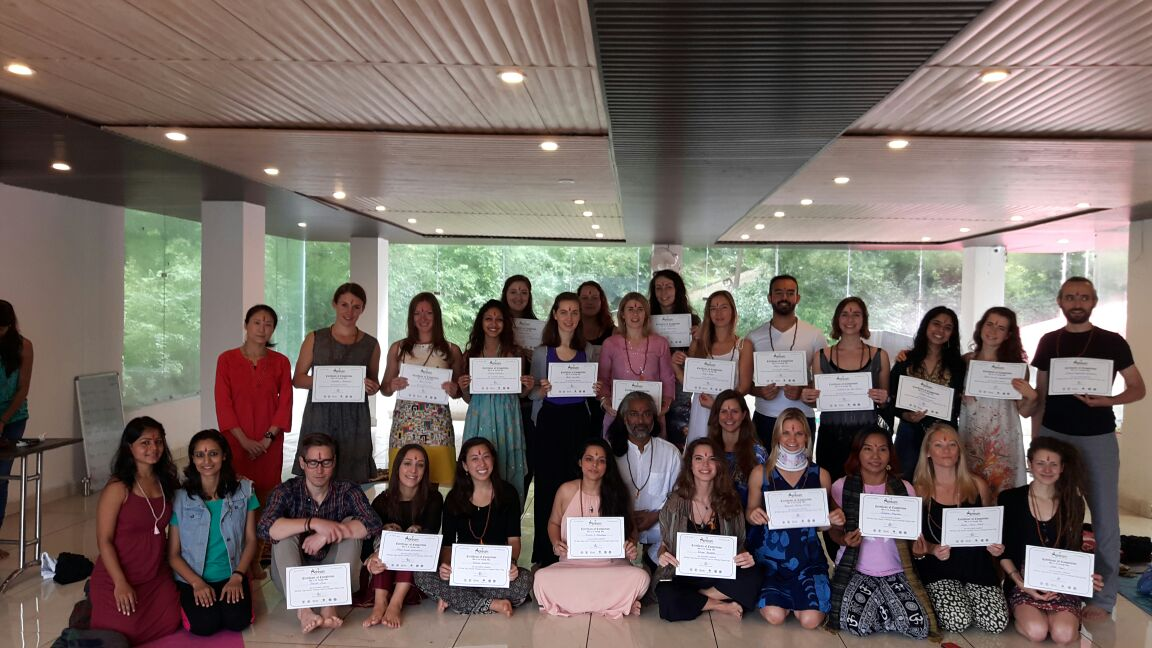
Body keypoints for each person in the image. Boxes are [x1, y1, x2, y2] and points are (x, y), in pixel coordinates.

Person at [1031, 276, 1144, 618]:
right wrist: (1036, 446)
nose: (1076, 302)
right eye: (1070, 297)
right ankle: (1050, 586)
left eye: (1083, 297)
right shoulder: (1049, 341)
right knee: (1049, 511)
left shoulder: (1112, 342)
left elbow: (1138, 388)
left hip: (1097, 437)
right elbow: (1041, 397)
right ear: (1060, 302)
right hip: (1054, 436)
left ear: (1093, 301)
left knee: (1106, 517)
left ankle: (1103, 598)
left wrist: (1108, 400)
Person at [258, 433, 383, 633]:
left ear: (334, 462)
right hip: (293, 577)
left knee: (352, 524)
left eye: (326, 462)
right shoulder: (286, 491)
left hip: (337, 576)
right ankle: (303, 609)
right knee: (283, 531)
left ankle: (330, 605)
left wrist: (332, 532)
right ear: (302, 462)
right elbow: (265, 527)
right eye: (313, 462)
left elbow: (373, 523)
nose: (319, 469)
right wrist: (313, 524)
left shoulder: (347, 490)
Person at [826, 429, 939, 640]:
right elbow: (834, 532)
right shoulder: (841, 486)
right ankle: (883, 605)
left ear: (890, 454)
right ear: (857, 453)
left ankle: (879, 603)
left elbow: (912, 536)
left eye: (882, 449)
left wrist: (918, 551)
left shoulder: (904, 488)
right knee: (855, 625)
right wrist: (844, 539)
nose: (875, 456)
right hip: (856, 570)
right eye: (868, 449)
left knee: (919, 626)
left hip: (896, 570)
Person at [998, 437, 1104, 642]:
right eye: (1040, 463)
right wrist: (1020, 583)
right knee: (1038, 632)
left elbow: (1074, 549)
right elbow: (1004, 550)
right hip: (1023, 581)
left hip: (1061, 583)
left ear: (1062, 467)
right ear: (1030, 464)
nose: (1047, 469)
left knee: (1063, 635)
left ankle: (1059, 618)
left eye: (1053, 464)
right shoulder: (1010, 499)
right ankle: (1026, 613)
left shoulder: (1073, 501)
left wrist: (1085, 576)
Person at [746, 409, 844, 628]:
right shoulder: (761, 473)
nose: (792, 439)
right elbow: (749, 513)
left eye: (799, 433)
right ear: (777, 437)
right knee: (775, 616)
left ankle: (796, 602)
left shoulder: (821, 475)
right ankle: (784, 600)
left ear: (807, 437)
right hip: (770, 560)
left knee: (810, 621)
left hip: (807, 558)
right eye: (786, 433)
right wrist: (753, 515)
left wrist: (832, 520)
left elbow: (821, 525)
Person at [214, 303, 292, 578]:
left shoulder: (281, 362)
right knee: (235, 499)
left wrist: (268, 438)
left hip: (270, 444)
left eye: (268, 323)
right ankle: (233, 559)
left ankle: (256, 559)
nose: (262, 328)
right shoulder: (226, 360)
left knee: (266, 499)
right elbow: (223, 404)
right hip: (236, 442)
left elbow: (285, 405)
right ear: (246, 325)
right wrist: (243, 440)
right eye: (257, 322)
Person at [89, 417, 181, 645]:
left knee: (172, 621)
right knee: (122, 633)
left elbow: (195, 497)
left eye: (158, 441)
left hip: (155, 573)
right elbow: (104, 540)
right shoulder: (118, 487)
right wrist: (120, 583)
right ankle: (89, 602)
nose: (153, 448)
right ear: (129, 447)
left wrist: (229, 480)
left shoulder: (167, 481)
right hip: (119, 574)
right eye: (145, 442)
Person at [415, 438, 533, 615]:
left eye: (486, 456)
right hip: (463, 571)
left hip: (496, 570)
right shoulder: (454, 498)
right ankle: (493, 604)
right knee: (421, 575)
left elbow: (514, 540)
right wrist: (446, 565)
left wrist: (511, 563)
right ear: (464, 465)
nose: (482, 463)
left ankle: (456, 599)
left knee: (525, 580)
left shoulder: (507, 494)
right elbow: (447, 544)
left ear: (493, 460)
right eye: (474, 459)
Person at [534, 438, 650, 617]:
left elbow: (632, 529)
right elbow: (553, 523)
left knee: (641, 578)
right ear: (580, 462)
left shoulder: (618, 493)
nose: (594, 465)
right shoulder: (566, 490)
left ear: (607, 466)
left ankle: (578, 602)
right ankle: (610, 603)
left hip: (611, 567)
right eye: (589, 459)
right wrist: (556, 543)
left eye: (601, 461)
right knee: (541, 579)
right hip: (572, 567)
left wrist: (631, 545)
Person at [910, 423, 1008, 634]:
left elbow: (991, 529)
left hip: (976, 567)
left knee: (996, 623)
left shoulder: (977, 485)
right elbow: (912, 541)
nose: (946, 450)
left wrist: (995, 547)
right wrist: (929, 549)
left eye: (952, 444)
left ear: (959, 451)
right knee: (958, 620)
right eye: (938, 445)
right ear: (928, 452)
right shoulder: (917, 490)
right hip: (938, 570)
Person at [529, 292, 602, 564]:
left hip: (579, 424)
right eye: (564, 312)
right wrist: (541, 389)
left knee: (579, 485)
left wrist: (597, 390)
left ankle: (579, 551)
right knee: (547, 488)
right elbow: (532, 395)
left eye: (575, 312)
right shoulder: (541, 353)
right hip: (549, 423)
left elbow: (594, 395)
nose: (569, 318)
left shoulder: (590, 350)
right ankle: (544, 555)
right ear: (555, 315)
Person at [654, 438, 762, 621]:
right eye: (698, 458)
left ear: (719, 464)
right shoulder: (675, 503)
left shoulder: (730, 500)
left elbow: (739, 544)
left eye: (711, 459)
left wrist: (745, 556)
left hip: (719, 575)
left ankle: (699, 597)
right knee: (666, 593)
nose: (705, 464)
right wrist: (663, 554)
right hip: (683, 574)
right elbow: (665, 544)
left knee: (756, 574)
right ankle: (718, 604)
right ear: (690, 465)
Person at [168, 430, 259, 636]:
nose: (206, 461)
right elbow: (173, 554)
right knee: (204, 626)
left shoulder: (245, 490)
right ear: (192, 459)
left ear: (224, 455)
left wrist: (237, 576)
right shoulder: (180, 499)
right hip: (193, 578)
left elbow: (252, 540)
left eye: (213, 454)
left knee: (238, 621)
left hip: (232, 573)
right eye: (199, 455)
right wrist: (197, 583)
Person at [293, 283, 381, 484]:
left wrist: (371, 386)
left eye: (356, 306)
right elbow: (298, 379)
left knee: (352, 481)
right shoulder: (315, 338)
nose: (349, 312)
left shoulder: (371, 344)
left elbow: (373, 383)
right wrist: (328, 382)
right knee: (317, 474)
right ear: (334, 304)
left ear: (362, 309)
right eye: (344, 305)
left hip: (355, 420)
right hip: (319, 416)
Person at [801, 296, 890, 483]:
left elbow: (885, 402)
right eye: (845, 314)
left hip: (867, 438)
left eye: (856, 314)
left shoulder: (880, 356)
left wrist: (884, 399)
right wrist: (807, 397)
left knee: (866, 489)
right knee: (831, 488)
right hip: (831, 435)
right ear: (837, 319)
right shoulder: (821, 356)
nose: (850, 320)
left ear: (864, 319)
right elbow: (817, 401)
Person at [382, 292, 464, 486]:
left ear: (436, 316)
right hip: (405, 427)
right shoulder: (398, 348)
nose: (423, 318)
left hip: (438, 427)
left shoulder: (451, 350)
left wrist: (454, 390)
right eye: (417, 313)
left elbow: (460, 390)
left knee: (439, 482)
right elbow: (384, 388)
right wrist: (392, 385)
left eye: (428, 313)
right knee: (404, 482)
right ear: (411, 317)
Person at [458, 300, 533, 506]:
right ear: (481, 322)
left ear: (505, 324)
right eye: (489, 319)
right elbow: (467, 398)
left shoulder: (515, 353)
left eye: (499, 319)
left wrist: (527, 385)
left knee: (505, 462)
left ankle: (505, 518)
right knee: (478, 462)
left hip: (508, 416)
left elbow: (520, 395)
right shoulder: (471, 354)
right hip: (479, 414)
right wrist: (463, 386)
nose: (494, 323)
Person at [361, 443, 443, 628]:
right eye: (407, 463)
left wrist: (407, 539)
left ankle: (395, 603)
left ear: (425, 471)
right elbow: (366, 544)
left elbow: (430, 536)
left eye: (420, 465)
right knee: (389, 533)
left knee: (413, 535)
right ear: (397, 466)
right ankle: (380, 602)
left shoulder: (433, 499)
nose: (413, 470)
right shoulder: (382, 501)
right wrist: (372, 557)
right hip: (383, 573)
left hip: (416, 573)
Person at [960, 306, 1038, 493]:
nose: (993, 331)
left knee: (1003, 493)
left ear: (1008, 335)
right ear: (981, 327)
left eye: (1001, 328)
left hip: (1003, 441)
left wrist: (1032, 397)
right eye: (990, 324)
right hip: (970, 438)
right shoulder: (965, 362)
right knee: (972, 492)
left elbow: (1025, 412)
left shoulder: (1017, 368)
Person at [746, 275, 828, 448]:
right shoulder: (754, 337)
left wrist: (803, 391)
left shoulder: (815, 335)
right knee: (763, 471)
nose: (784, 297)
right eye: (779, 292)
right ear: (770, 298)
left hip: (802, 417)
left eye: (790, 293)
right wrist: (760, 392)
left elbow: (822, 383)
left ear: (797, 298)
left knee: (802, 473)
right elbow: (746, 384)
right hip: (765, 417)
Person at [891, 306, 966, 476]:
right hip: (909, 432)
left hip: (944, 436)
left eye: (947, 328)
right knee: (905, 483)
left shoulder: (959, 366)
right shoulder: (906, 360)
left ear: (952, 334)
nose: (940, 330)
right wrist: (906, 415)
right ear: (926, 325)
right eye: (936, 324)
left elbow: (959, 403)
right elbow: (890, 397)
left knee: (943, 482)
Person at [607, 391, 681, 565]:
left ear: (654, 418)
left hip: (660, 528)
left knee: (662, 579)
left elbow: (680, 495)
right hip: (621, 528)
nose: (640, 421)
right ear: (624, 418)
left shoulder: (670, 453)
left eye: (646, 414)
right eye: (634, 414)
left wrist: (656, 516)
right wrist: (628, 517)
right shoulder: (609, 452)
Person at [597, 292, 676, 434]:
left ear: (646, 314)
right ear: (622, 314)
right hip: (619, 415)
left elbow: (668, 378)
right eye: (630, 309)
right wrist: (605, 402)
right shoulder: (610, 344)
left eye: (640, 309)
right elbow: (602, 379)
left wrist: (666, 404)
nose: (635, 314)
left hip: (651, 416)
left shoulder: (660, 343)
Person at [684, 291, 753, 444]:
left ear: (733, 311)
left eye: (723, 307)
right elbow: (690, 378)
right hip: (701, 409)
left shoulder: (743, 345)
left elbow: (745, 387)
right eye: (713, 308)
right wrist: (695, 340)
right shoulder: (701, 344)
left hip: (729, 414)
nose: (718, 312)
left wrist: (718, 406)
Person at [649, 269, 701, 447]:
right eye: (658, 288)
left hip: (680, 392)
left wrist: (694, 342)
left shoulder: (692, 320)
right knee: (653, 443)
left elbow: (694, 363)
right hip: (653, 387)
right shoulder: (647, 321)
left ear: (677, 289)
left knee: (678, 444)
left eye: (668, 287)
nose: (664, 293)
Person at [500, 274, 539, 495]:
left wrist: (533, 357)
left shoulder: (538, 328)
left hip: (525, 408)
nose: (518, 296)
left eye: (524, 292)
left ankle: (517, 509)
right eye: (513, 291)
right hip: (500, 404)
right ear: (505, 294)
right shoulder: (494, 324)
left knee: (524, 462)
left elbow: (542, 372)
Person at [0, 299, 33, 559]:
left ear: (10, 325)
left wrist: (3, 419)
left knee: (1, 479)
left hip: (13, 418)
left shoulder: (24, 346)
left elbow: (23, 388)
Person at [704, 389, 766, 506]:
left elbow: (765, 496)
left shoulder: (758, 453)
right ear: (717, 415)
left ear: (744, 415)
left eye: (734, 411)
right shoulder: (707, 449)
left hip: (747, 519)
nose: (729, 417)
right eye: (723, 411)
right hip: (713, 519)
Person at [578, 280, 615, 431]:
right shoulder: (569, 330)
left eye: (594, 297)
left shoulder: (614, 332)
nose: (589, 302)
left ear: (602, 301)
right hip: (576, 394)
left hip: (604, 396)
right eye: (584, 297)